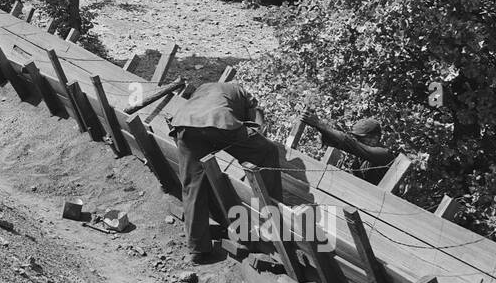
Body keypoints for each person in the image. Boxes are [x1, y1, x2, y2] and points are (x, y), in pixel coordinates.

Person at [164, 81, 285, 262]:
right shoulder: (244, 93)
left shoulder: (205, 87)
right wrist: (256, 133)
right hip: (219, 121)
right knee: (268, 150)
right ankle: (272, 215)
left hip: (185, 123)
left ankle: (198, 250)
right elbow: (254, 119)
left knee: (192, 185)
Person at [302, 110, 396, 186]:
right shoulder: (361, 158)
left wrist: (319, 124)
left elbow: (350, 144)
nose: (357, 140)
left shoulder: (384, 154)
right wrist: (324, 134)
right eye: (356, 137)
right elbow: (345, 144)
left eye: (360, 138)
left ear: (374, 139)